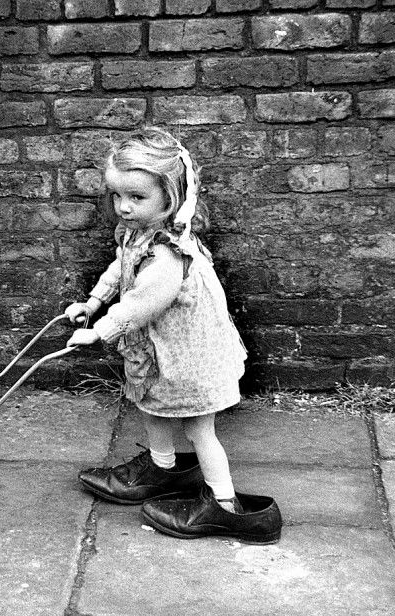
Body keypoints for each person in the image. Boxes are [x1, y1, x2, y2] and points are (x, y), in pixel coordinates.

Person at [64, 127, 281, 543]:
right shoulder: (137, 234)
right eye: (116, 196)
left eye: (136, 197)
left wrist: (102, 329)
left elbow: (145, 301)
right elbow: (120, 267)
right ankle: (162, 468)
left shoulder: (167, 253)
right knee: (151, 405)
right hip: (164, 352)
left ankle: (227, 505)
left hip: (191, 358)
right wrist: (93, 302)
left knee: (200, 429)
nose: (123, 207)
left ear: (171, 195)